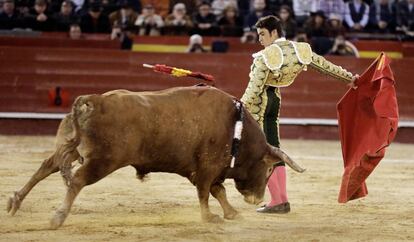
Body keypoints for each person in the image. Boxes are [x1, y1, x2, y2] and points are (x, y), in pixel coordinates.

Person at [241, 15, 357, 214]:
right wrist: (349, 78)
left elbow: (254, 89)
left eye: (262, 34)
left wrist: (238, 107)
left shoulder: (264, 56)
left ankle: (277, 200)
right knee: (274, 147)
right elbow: (325, 67)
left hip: (261, 103)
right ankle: (281, 199)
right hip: (275, 101)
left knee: (259, 153)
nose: (260, 39)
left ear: (274, 32)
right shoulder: (300, 49)